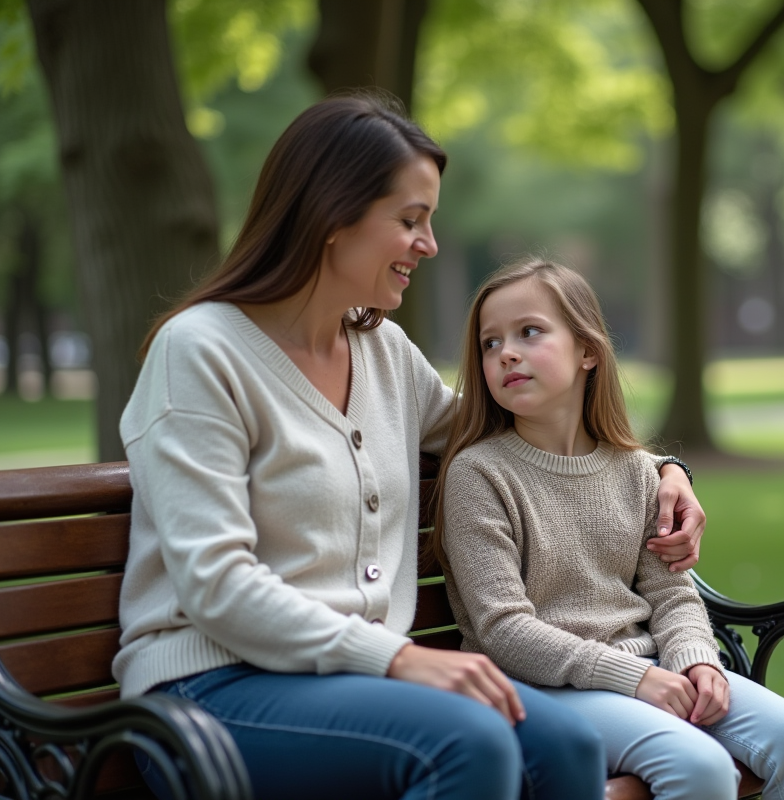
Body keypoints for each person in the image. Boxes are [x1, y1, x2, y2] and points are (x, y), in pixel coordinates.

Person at [115, 93, 705, 800]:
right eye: (410, 220)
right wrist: (397, 658)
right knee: (471, 744)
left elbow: (519, 426)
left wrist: (665, 470)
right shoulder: (200, 352)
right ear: (334, 216)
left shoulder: (383, 353)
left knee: (566, 745)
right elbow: (217, 584)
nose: (428, 244)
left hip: (361, 682)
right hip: (211, 690)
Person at [435, 259, 784, 800]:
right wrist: (637, 680)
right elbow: (503, 629)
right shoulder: (479, 474)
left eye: (529, 332)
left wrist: (696, 660)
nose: (505, 352)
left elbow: (672, 592)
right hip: (537, 686)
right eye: (489, 343)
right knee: (699, 767)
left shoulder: (636, 470)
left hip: (651, 667)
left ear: (587, 351)